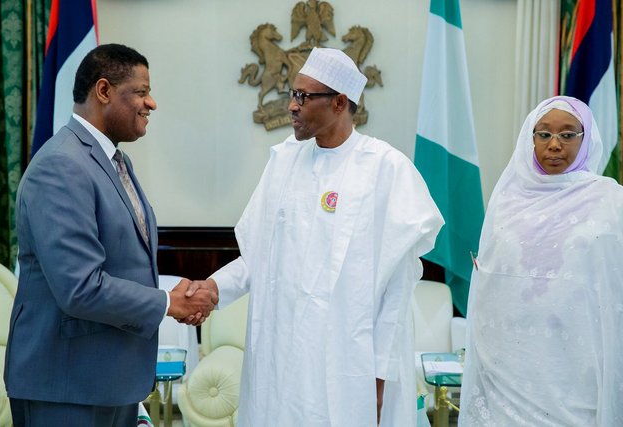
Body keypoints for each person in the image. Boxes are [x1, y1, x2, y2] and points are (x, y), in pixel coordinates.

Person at [189, 48, 444, 426]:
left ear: (340, 102)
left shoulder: (386, 169)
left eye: (304, 97)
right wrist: (213, 288)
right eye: (292, 94)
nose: (292, 106)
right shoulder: (284, 162)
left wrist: (380, 374)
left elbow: (398, 285)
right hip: (282, 358)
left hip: (348, 362)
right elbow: (259, 257)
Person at [4, 44, 217, 427]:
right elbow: (80, 287)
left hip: (111, 381)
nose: (151, 103)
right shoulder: (61, 165)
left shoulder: (114, 160)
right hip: (66, 388)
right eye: (140, 91)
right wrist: (167, 302)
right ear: (103, 91)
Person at [459, 96, 623, 426]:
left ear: (587, 138)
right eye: (544, 134)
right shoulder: (506, 200)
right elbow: (489, 284)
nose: (554, 145)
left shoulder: (611, 201)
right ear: (530, 138)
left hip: (576, 374)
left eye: (568, 134)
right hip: (506, 369)